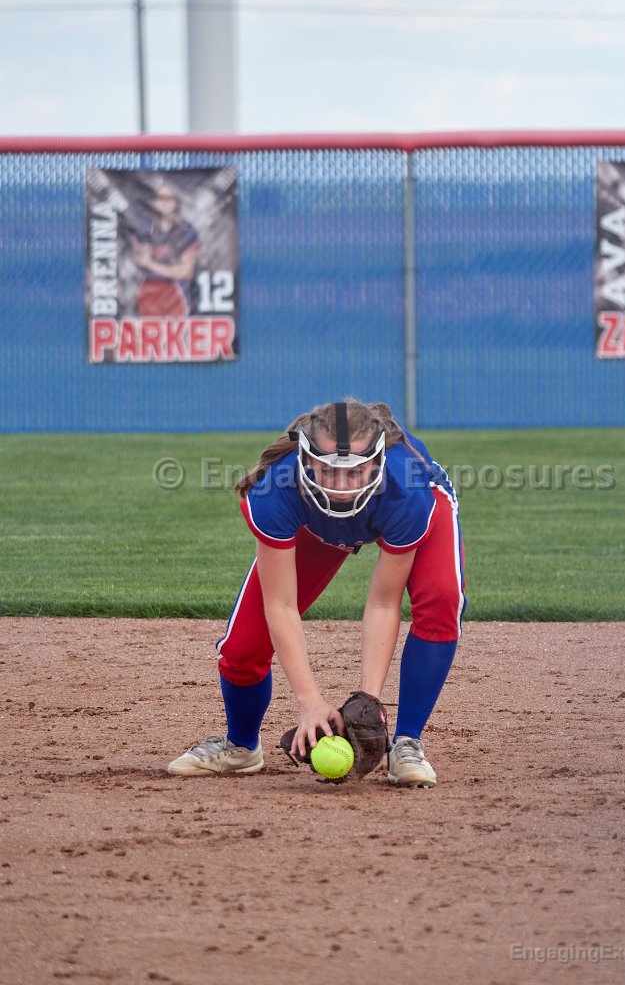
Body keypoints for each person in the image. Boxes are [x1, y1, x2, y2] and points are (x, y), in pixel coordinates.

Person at [168, 399, 466, 788]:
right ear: (307, 460)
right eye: (327, 470)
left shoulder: (406, 489)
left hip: (396, 505)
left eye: (355, 471)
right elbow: (280, 605)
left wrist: (366, 705)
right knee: (242, 647)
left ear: (377, 461)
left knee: (442, 599)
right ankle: (241, 746)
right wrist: (309, 702)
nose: (340, 486)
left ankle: (407, 743)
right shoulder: (278, 487)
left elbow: (383, 603)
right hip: (316, 522)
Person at [130, 180, 200, 317]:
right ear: (153, 202)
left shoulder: (187, 231)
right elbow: (139, 261)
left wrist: (150, 264)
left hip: (177, 293)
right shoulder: (145, 230)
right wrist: (142, 256)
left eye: (168, 198)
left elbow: (185, 272)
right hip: (148, 293)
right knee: (148, 329)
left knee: (177, 329)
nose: (164, 203)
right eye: (160, 198)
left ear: (176, 202)